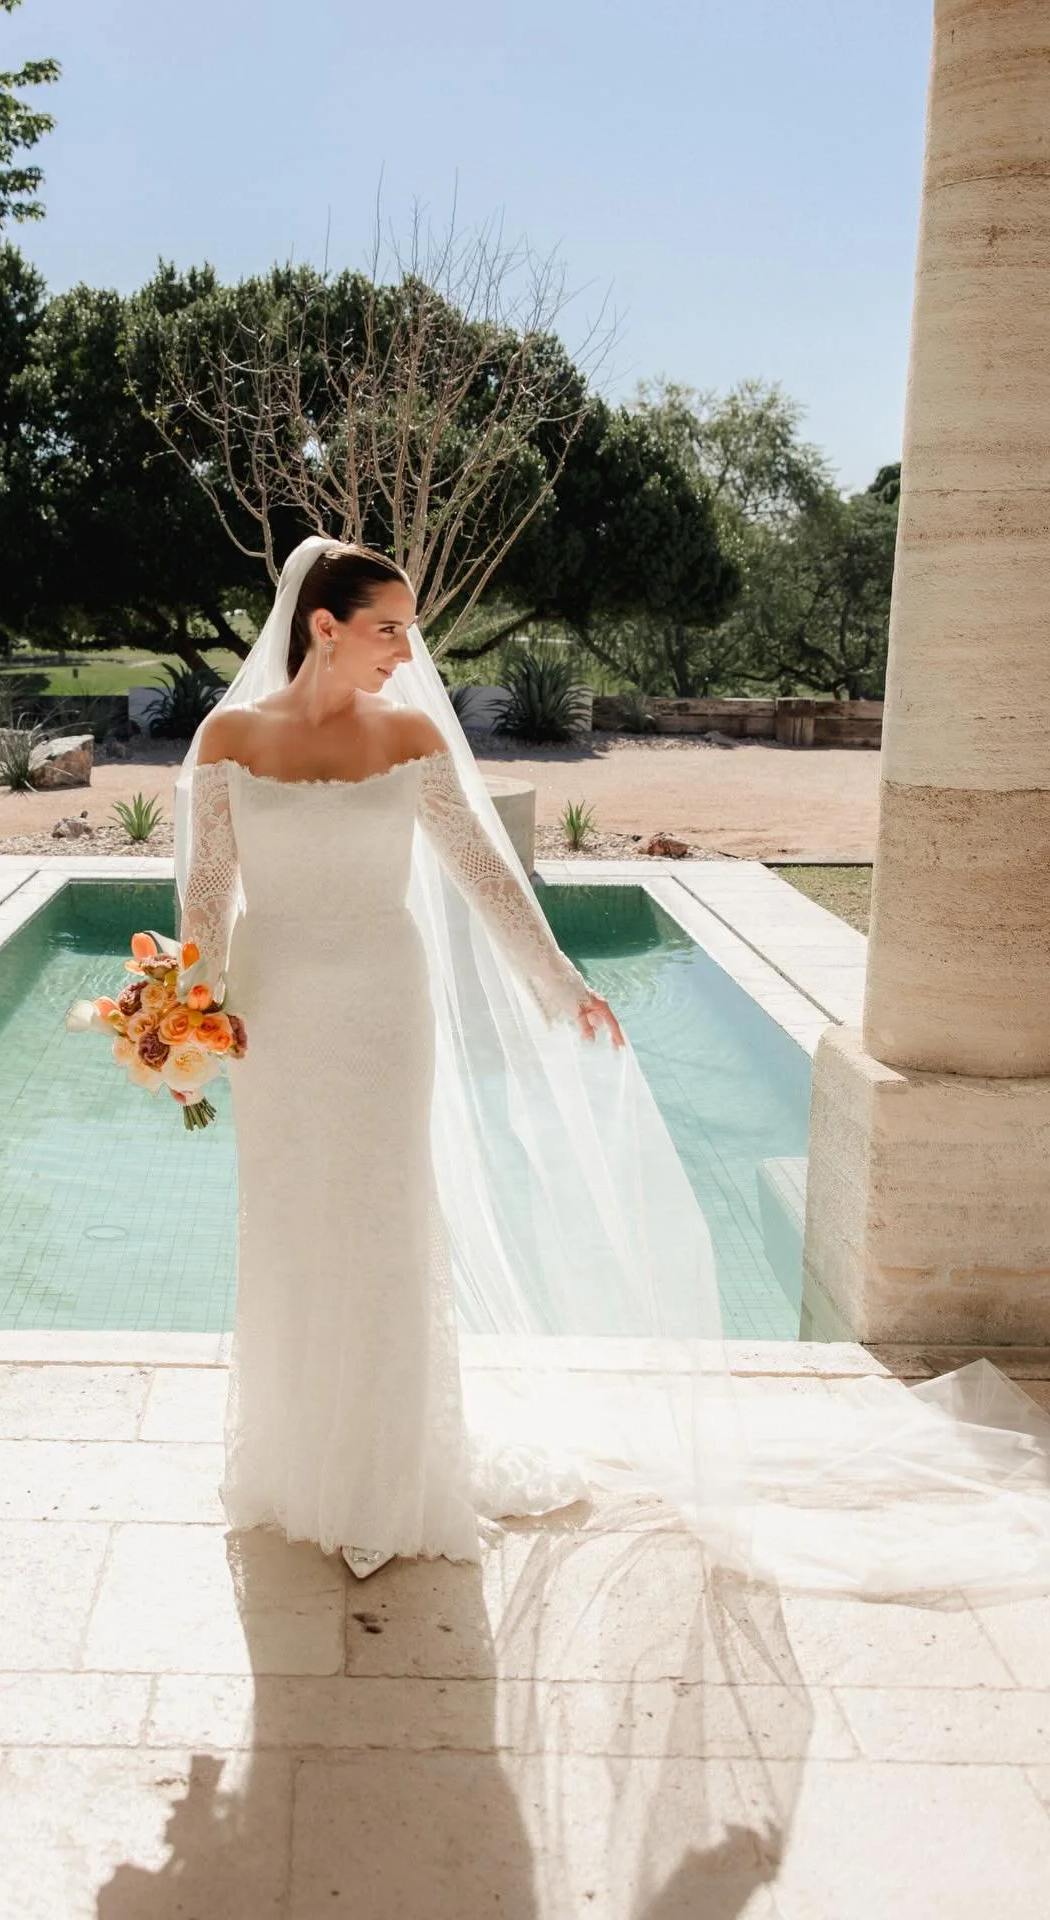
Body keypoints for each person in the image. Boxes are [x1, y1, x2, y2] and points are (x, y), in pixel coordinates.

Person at [172, 534, 1050, 1597]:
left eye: (410, 631)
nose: (408, 652)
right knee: (289, 1220)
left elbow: (484, 873)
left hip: (381, 1011)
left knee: (385, 1222)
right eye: (389, 629)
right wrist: (183, 1024)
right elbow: (206, 899)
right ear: (324, 626)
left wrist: (560, 982)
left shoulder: (409, 735)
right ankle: (293, 1463)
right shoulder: (228, 738)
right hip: (274, 1017)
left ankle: (384, 1482)